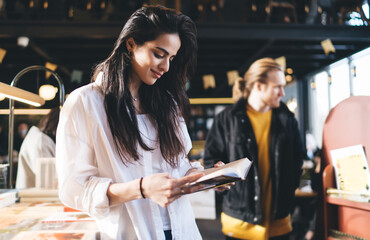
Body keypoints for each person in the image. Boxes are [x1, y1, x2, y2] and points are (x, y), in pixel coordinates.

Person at [56, 6, 206, 240]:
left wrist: (204, 178)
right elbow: (74, 189)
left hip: (182, 229)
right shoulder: (85, 102)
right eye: (159, 54)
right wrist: (141, 189)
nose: (166, 67)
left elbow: (179, 164)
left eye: (172, 58)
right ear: (131, 43)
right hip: (130, 232)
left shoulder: (167, 102)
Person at [204, 58, 306, 240]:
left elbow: (297, 159)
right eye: (277, 87)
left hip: (279, 223)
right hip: (239, 224)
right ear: (259, 86)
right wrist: (218, 175)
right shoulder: (227, 119)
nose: (283, 93)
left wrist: (290, 187)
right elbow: (211, 160)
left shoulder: (287, 119)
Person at [16, 107, 60, 189]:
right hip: (35, 198)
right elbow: (48, 182)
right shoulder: (41, 141)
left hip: (33, 196)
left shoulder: (38, 137)